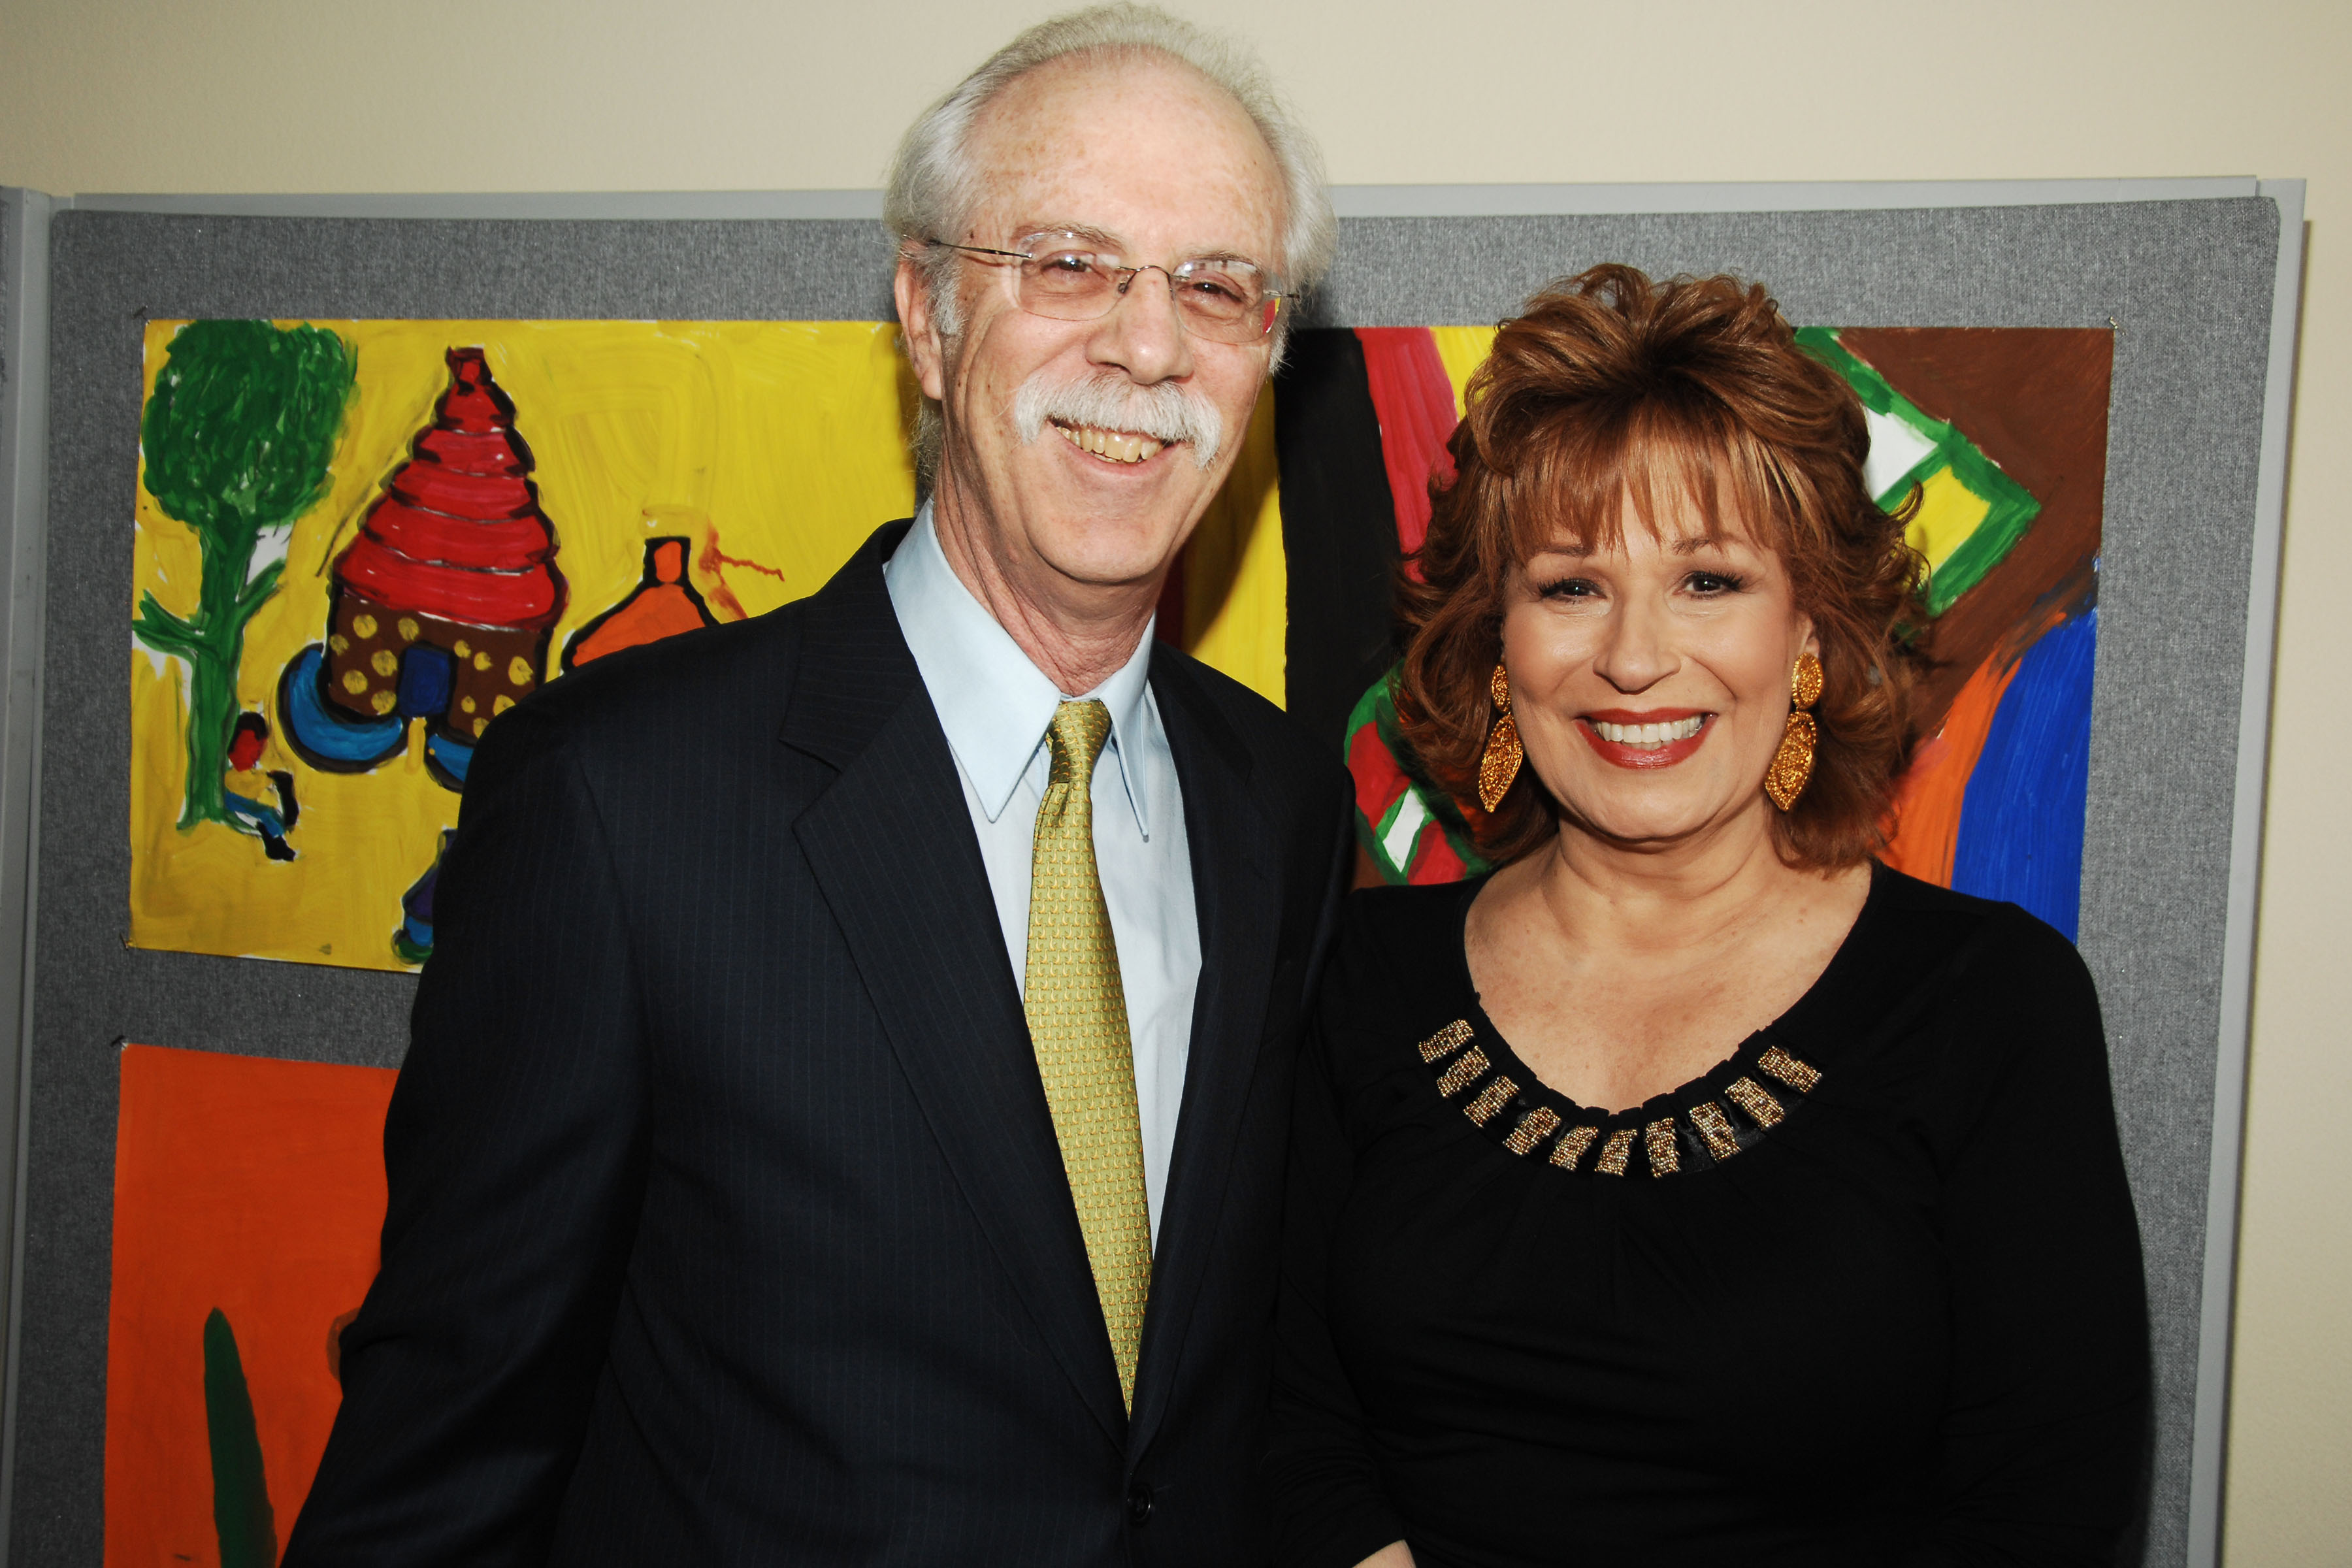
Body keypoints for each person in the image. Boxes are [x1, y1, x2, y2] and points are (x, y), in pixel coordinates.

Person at [285, 8, 1350, 1564]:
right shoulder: (616, 797)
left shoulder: (1279, 807)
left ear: (1266, 348)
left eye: (1217, 284)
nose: (1146, 343)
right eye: (1066, 263)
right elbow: (446, 1451)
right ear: (925, 318)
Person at [1268, 266, 2149, 1567]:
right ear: (1497, 644)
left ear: (1809, 634)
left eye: (1709, 582)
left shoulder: (1990, 1006)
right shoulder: (1357, 982)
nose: (1634, 658)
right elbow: (1285, 1433)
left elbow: (2047, 1509)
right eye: (1570, 586)